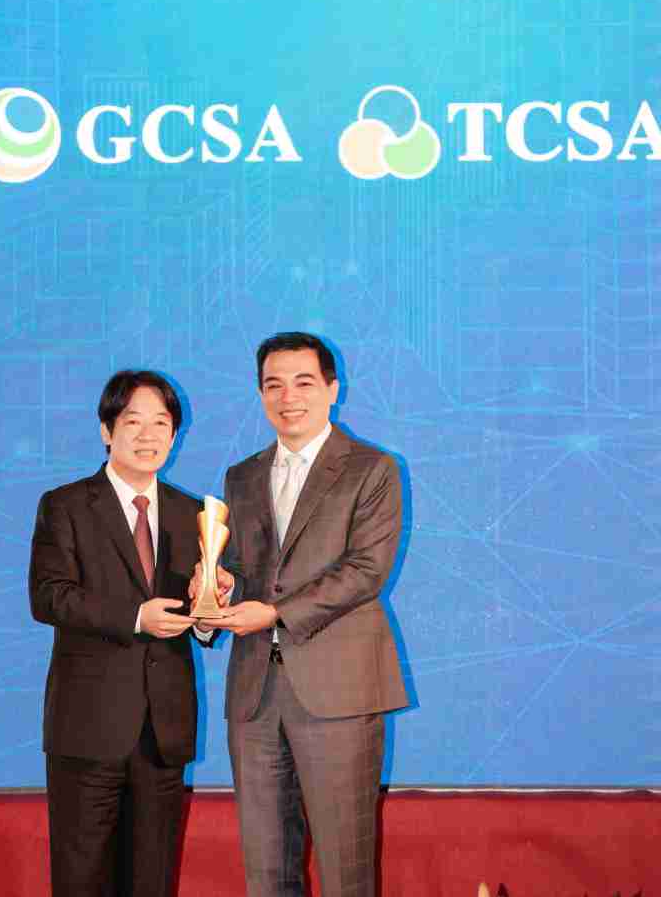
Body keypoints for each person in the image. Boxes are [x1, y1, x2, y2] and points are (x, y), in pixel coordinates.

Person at [197, 332, 408, 897]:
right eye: (274, 385)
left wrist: (272, 613)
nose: (288, 397)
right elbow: (240, 566)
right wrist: (219, 585)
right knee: (266, 873)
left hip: (338, 695)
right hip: (254, 696)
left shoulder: (372, 469)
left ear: (333, 389)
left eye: (303, 382)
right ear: (260, 394)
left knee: (345, 872)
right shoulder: (241, 476)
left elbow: (366, 571)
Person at [29, 370, 200, 897]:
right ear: (107, 431)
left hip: (163, 732)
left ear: (174, 434)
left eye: (161, 423)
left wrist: (211, 607)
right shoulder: (66, 505)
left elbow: (197, 613)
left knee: (151, 881)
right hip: (88, 730)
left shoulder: (191, 513)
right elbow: (49, 596)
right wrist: (136, 617)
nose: (148, 436)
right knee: (81, 880)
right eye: (133, 422)